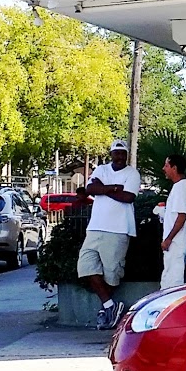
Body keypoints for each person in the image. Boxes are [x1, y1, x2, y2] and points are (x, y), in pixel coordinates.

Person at [77, 139, 141, 329]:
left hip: (119, 229)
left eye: (123, 154)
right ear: (111, 154)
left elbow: (128, 197)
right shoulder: (101, 170)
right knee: (86, 267)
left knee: (112, 274)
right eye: (117, 153)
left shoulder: (132, 173)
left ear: (127, 155)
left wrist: (102, 189)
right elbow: (89, 189)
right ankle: (110, 306)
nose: (120, 157)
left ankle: (107, 309)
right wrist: (114, 188)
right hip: (95, 228)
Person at [160, 154, 186, 290]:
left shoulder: (181, 187)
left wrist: (168, 239)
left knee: (173, 282)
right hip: (175, 243)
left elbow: (181, 216)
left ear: (174, 168)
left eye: (166, 165)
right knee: (169, 277)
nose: (164, 169)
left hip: (176, 243)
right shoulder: (180, 187)